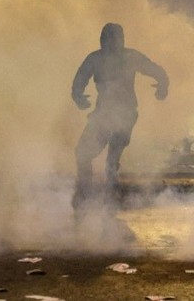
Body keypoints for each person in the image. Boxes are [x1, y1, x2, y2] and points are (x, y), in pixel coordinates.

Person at [70, 23, 169, 208]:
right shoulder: (96, 59)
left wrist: (163, 86)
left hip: (125, 114)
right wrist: (78, 97)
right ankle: (86, 192)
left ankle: (108, 194)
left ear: (121, 40)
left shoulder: (130, 57)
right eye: (105, 37)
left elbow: (157, 71)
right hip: (103, 113)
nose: (109, 42)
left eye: (113, 38)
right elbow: (79, 81)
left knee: (111, 157)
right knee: (84, 153)